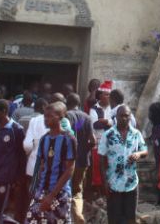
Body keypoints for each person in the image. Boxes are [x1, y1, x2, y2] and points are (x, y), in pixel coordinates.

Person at [24, 102, 77, 224]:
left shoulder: (68, 139)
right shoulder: (44, 139)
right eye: (45, 116)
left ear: (60, 117)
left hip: (60, 193)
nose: (46, 119)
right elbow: (41, 165)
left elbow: (70, 169)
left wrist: (52, 195)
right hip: (42, 190)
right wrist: (35, 188)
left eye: (49, 116)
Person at [99, 105, 148, 224]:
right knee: (114, 218)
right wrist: (104, 182)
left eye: (127, 116)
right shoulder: (108, 134)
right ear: (116, 117)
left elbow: (145, 151)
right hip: (114, 184)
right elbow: (101, 159)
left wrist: (138, 154)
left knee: (130, 218)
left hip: (131, 183)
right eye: (121, 116)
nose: (124, 118)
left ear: (130, 117)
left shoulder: (136, 134)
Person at [66, 93, 96, 224]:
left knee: (65, 188)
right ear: (79, 103)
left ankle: (66, 216)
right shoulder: (86, 117)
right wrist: (85, 150)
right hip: (83, 160)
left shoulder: (66, 116)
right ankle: (77, 215)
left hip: (68, 160)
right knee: (77, 190)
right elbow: (93, 140)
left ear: (67, 103)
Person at [20, 98, 49, 220]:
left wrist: (29, 153)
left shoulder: (35, 121)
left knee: (32, 197)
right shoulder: (63, 121)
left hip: (33, 166)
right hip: (51, 168)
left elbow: (27, 145)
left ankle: (30, 219)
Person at [90, 81, 114, 191]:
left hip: (111, 144)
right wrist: (110, 123)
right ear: (100, 96)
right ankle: (98, 192)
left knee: (110, 167)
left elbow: (116, 124)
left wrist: (107, 122)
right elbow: (95, 125)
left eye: (109, 95)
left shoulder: (113, 109)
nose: (108, 97)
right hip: (98, 144)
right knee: (97, 168)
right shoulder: (94, 109)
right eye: (106, 95)